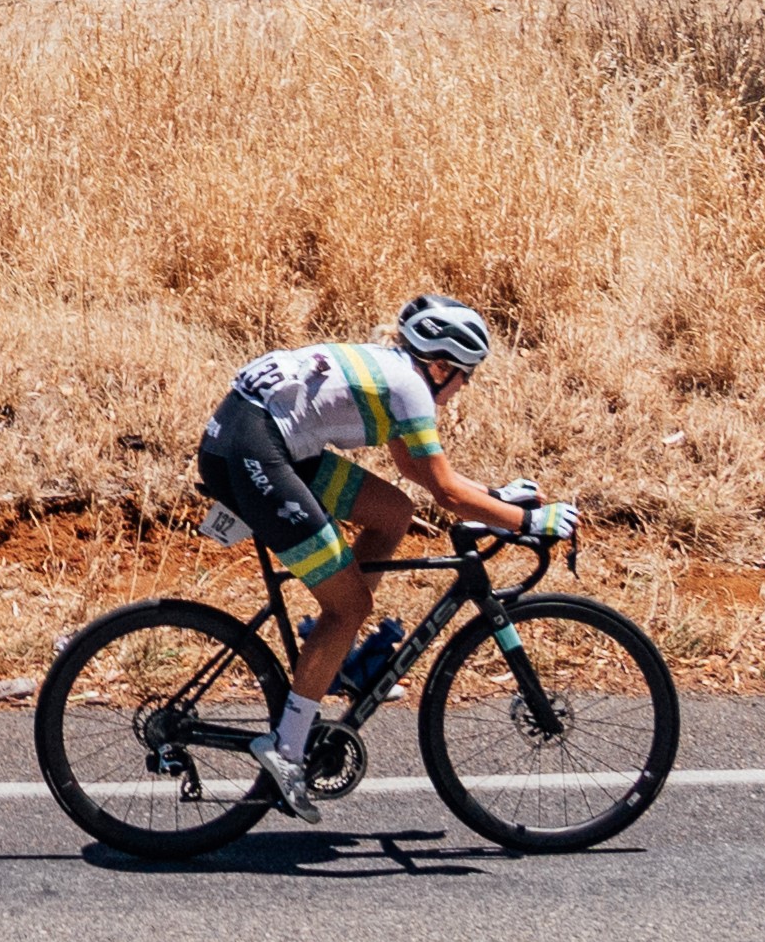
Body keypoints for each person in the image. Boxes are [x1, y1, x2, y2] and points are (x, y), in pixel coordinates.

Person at [195, 295, 579, 823]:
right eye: (464, 375)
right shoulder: (410, 390)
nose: (463, 387)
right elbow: (445, 493)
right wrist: (527, 522)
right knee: (347, 606)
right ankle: (286, 750)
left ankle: (338, 658)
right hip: (253, 451)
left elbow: (420, 476)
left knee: (391, 512)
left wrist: (494, 499)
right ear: (441, 365)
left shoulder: (396, 375)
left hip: (252, 435)